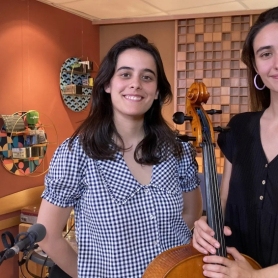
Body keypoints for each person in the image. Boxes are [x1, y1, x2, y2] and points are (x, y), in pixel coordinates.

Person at [37, 34, 203, 278]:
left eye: (147, 77)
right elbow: (47, 235)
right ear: (107, 85)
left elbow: (190, 214)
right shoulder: (77, 152)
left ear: (157, 91)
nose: (136, 84)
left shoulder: (178, 150)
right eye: (125, 74)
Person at [192, 6, 278, 278]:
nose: (276, 62)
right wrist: (206, 224)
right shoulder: (240, 128)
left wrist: (256, 276)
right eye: (266, 53)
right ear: (255, 65)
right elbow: (225, 202)